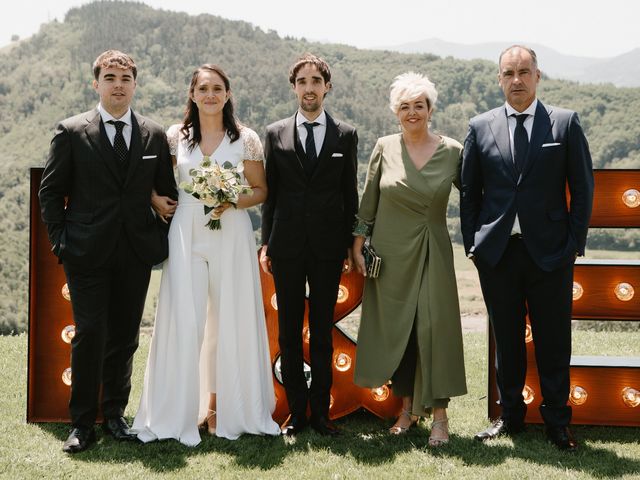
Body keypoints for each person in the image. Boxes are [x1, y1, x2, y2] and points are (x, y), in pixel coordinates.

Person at [38, 50, 178, 453]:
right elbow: (50, 192)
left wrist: (154, 208)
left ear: (135, 84)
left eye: (126, 78)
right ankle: (82, 423)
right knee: (90, 334)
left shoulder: (153, 134)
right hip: (85, 251)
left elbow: (165, 191)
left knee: (124, 336)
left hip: (134, 251)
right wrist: (61, 242)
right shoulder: (71, 131)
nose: (118, 84)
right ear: (95, 83)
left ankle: (115, 414)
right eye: (111, 77)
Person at [133, 64, 280, 445]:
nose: (210, 94)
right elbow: (153, 181)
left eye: (217, 88)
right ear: (192, 95)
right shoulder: (174, 137)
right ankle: (180, 413)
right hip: (186, 232)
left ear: (228, 94)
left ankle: (226, 410)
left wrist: (232, 199)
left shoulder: (244, 138)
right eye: (203, 88)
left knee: (231, 320)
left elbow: (261, 190)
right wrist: (154, 200)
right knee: (186, 318)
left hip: (230, 232)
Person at [460, 45, 594, 451]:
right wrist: (474, 246)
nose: (515, 80)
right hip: (498, 254)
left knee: (554, 340)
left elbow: (584, 189)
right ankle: (511, 417)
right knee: (507, 339)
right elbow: (470, 193)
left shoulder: (564, 124)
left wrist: (573, 243)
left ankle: (557, 421)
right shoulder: (480, 126)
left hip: (552, 252)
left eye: (523, 72)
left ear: (537, 76)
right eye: (508, 73)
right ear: (499, 79)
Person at [352, 72, 467, 447]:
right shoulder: (384, 147)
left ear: (430, 109)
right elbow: (368, 201)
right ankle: (405, 410)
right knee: (399, 331)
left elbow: (478, 196)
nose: (412, 112)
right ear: (395, 112)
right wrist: (357, 243)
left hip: (432, 248)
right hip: (388, 252)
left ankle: (440, 417)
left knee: (434, 329)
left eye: (419, 105)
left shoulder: (452, 151)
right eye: (405, 106)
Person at [259, 53, 359, 436]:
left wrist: (351, 245)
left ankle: (321, 413)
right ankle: (296, 414)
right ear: (294, 87)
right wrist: (266, 243)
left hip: (327, 248)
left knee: (321, 332)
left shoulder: (345, 135)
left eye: (316, 81)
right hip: (285, 245)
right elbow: (271, 194)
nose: (309, 88)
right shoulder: (275, 132)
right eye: (302, 81)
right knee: (287, 333)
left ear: (326, 87)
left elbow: (348, 194)